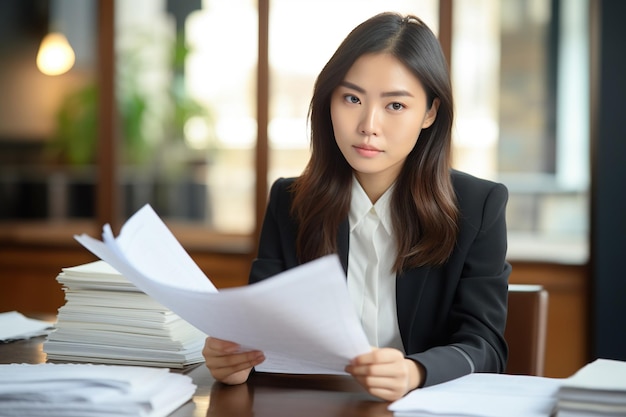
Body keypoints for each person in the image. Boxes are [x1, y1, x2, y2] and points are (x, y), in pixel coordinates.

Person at [203, 11, 511, 402]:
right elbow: (261, 335)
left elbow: (485, 346)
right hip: (311, 406)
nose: (368, 124)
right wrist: (234, 361)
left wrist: (415, 371)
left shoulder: (477, 206)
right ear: (328, 101)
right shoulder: (289, 202)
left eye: (395, 106)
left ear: (430, 113)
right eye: (352, 98)